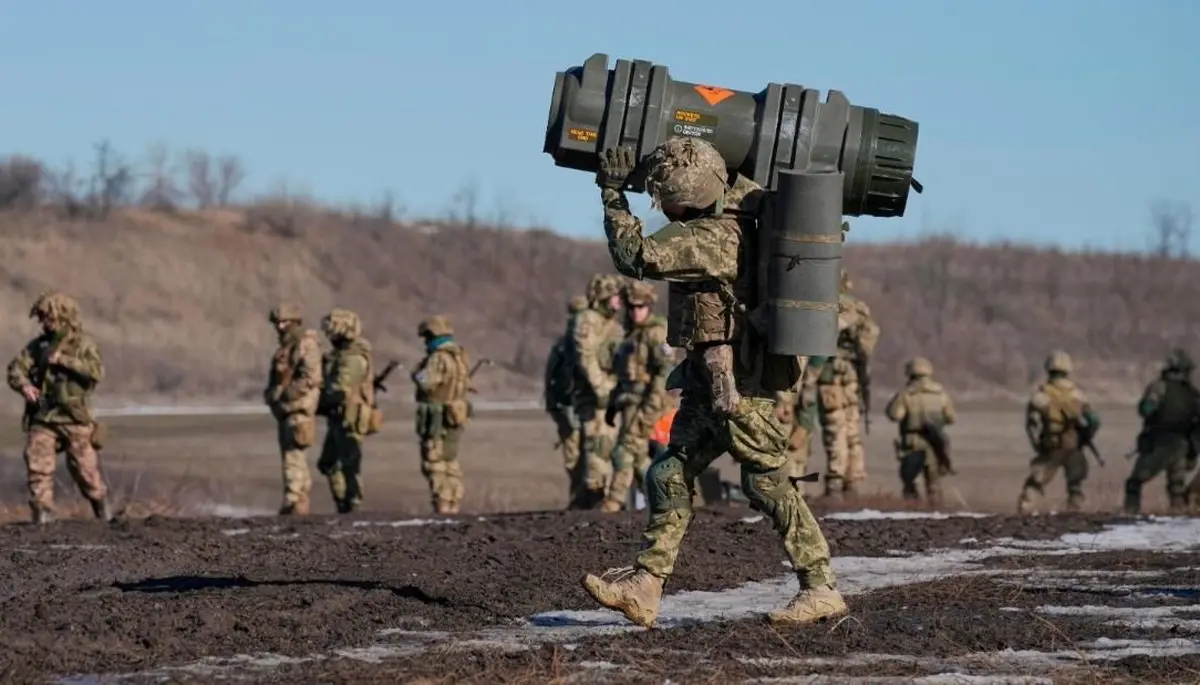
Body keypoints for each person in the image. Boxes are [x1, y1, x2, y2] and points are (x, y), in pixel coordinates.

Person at [579, 137, 846, 627]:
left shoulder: (710, 238)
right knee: (668, 473)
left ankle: (820, 587)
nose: (664, 205)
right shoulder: (738, 210)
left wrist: (613, 193)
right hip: (712, 378)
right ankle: (646, 585)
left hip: (741, 387)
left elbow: (634, 255)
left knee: (766, 485)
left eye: (666, 196)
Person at [7, 291, 111, 524]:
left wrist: (64, 360)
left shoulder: (82, 344)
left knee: (85, 471)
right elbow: (16, 369)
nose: (44, 322)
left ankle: (103, 511)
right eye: (42, 318)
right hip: (44, 413)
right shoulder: (39, 346)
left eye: (48, 317)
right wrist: (24, 386)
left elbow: (96, 372)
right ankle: (42, 514)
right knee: (37, 464)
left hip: (74, 416)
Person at [601, 280, 671, 512]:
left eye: (640, 307)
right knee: (639, 458)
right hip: (629, 404)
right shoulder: (630, 335)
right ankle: (661, 501)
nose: (635, 312)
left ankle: (613, 503)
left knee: (624, 451)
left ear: (649, 307)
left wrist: (649, 411)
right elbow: (623, 377)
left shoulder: (655, 333)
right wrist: (612, 405)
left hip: (646, 405)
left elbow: (664, 373)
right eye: (631, 307)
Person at [815, 268, 880, 499]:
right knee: (852, 429)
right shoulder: (859, 308)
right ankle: (853, 481)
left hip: (830, 375)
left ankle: (835, 482)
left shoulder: (826, 305)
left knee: (834, 428)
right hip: (852, 375)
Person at [567, 273, 626, 509]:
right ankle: (594, 496)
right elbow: (586, 356)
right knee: (597, 448)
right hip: (593, 398)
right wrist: (601, 386)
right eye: (614, 297)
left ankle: (603, 497)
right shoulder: (588, 319)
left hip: (611, 396)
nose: (618, 302)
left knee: (609, 447)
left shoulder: (613, 325)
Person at [1017, 350, 1101, 513]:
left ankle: (1024, 513)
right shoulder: (1078, 395)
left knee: (1035, 483)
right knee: (1076, 485)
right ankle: (1075, 516)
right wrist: (1085, 437)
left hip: (1051, 445)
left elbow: (1032, 425)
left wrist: (1037, 445)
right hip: (1073, 445)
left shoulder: (1041, 395)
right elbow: (1094, 421)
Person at [263, 302, 323, 515]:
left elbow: (310, 377)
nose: (280, 327)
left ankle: (295, 502)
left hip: (298, 408)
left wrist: (286, 395)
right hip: (289, 410)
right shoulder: (287, 347)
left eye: (284, 322)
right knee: (293, 458)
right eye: (277, 323)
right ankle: (296, 502)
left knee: (294, 460)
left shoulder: (304, 343)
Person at [316, 308, 379, 513]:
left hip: (350, 416)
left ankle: (352, 506)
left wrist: (316, 400)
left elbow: (340, 388)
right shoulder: (340, 355)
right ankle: (343, 503)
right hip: (339, 416)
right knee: (329, 463)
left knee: (350, 465)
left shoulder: (353, 358)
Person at [412, 315, 473, 514]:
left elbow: (425, 382)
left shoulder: (438, 357)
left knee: (435, 463)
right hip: (455, 416)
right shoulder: (459, 356)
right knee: (451, 463)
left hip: (438, 418)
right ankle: (454, 505)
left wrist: (416, 372)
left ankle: (443, 508)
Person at [1126, 349, 1199, 514]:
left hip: (1161, 443)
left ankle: (1130, 515)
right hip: (1183, 445)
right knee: (1176, 488)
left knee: (1134, 483)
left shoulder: (1159, 387)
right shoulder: (1193, 393)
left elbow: (1146, 409)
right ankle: (1178, 519)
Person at [884, 356, 956, 505]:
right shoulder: (940, 394)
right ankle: (936, 514)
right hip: (934, 443)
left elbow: (894, 415)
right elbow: (951, 418)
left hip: (913, 442)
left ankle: (913, 512)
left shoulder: (907, 394)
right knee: (934, 484)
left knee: (910, 481)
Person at [545, 295, 588, 503]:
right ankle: (579, 499)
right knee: (574, 459)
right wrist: (555, 408)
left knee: (592, 457)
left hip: (587, 408)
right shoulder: (563, 346)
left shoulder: (592, 343)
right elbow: (551, 379)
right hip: (569, 408)